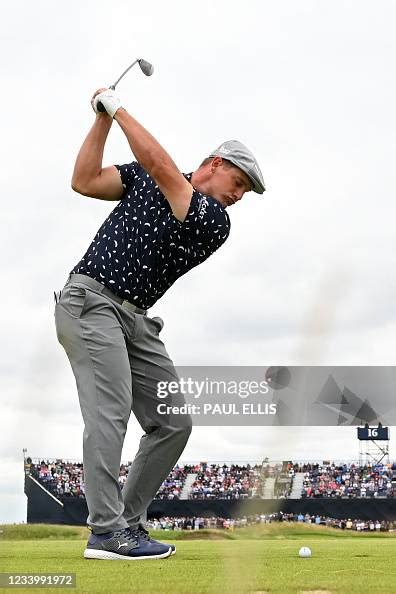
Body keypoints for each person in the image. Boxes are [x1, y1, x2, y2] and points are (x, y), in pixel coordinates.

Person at [54, 87, 265, 561]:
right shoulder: (151, 181)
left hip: (136, 320)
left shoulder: (213, 219)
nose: (238, 196)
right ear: (214, 162)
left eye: (246, 192)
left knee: (172, 422)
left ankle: (127, 524)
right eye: (238, 182)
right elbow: (85, 181)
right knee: (109, 414)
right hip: (91, 302)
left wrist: (117, 106)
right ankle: (107, 533)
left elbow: (164, 170)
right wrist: (102, 120)